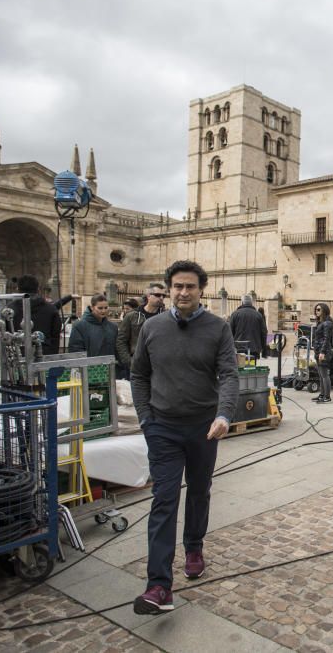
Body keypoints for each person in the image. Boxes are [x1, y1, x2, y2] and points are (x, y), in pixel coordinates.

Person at [130, 260, 239, 615]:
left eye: (190, 286)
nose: (183, 292)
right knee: (163, 500)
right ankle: (158, 586)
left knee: (199, 490)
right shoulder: (152, 328)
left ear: (201, 290)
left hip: (204, 426)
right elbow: (139, 375)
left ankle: (194, 546)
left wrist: (224, 414)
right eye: (177, 286)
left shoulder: (218, 328)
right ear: (167, 289)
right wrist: (146, 418)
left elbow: (229, 375)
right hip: (162, 426)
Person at [117, 283, 166, 379]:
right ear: (148, 296)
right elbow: (121, 340)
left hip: (159, 366)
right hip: (136, 363)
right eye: (157, 295)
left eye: (163, 295)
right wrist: (129, 362)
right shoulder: (132, 316)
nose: (161, 298)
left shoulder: (166, 317)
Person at [9, 275, 62, 355]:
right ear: (38, 289)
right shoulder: (51, 309)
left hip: (17, 356)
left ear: (18, 289)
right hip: (44, 355)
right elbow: (55, 336)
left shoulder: (9, 309)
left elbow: (4, 336)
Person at [69, 294, 118, 359]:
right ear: (92, 308)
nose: (103, 311)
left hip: (109, 366)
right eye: (100, 308)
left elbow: (117, 350)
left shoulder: (113, 327)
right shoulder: (79, 326)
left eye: (106, 308)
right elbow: (76, 351)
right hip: (88, 366)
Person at [229, 294, 267, 364]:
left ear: (242, 302)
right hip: (254, 349)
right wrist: (263, 349)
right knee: (251, 370)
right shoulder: (258, 315)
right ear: (251, 303)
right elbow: (264, 333)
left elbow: (229, 333)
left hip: (239, 349)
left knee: (240, 370)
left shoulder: (235, 314)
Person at [311, 303, 333, 403]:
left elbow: (326, 339)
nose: (317, 311)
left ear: (324, 310)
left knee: (324, 374)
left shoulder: (327, 323)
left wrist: (322, 352)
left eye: (319, 309)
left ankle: (327, 397)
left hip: (323, 351)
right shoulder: (321, 323)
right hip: (319, 351)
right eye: (316, 309)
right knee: (321, 374)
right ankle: (322, 394)